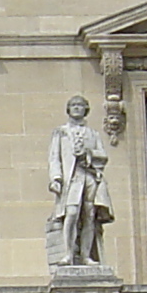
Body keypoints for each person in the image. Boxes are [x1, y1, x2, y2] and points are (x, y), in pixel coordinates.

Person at [47, 95, 112, 268]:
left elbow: (103, 156)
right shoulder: (60, 132)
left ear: (86, 109)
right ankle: (67, 253)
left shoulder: (93, 134)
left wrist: (88, 154)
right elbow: (54, 158)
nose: (77, 108)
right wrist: (55, 178)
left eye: (81, 105)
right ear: (68, 109)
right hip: (71, 178)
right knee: (72, 213)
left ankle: (85, 256)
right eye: (74, 105)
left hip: (89, 176)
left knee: (89, 215)